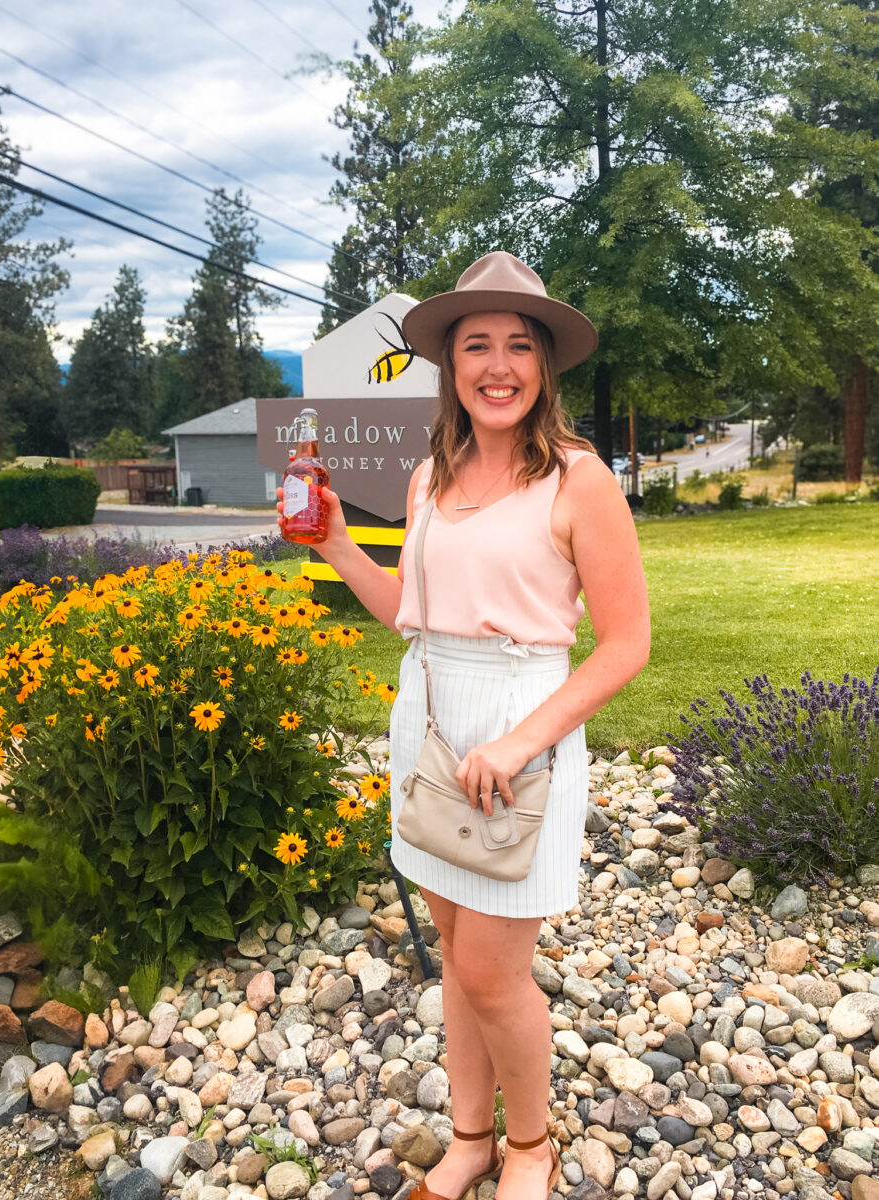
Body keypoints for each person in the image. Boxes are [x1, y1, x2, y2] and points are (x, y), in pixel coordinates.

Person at [277, 252, 650, 1200]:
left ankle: (534, 1146)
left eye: (518, 345)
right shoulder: (427, 478)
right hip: (430, 718)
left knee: (492, 973)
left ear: (544, 366)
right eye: (475, 343)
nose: (498, 364)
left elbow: (626, 645)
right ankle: (473, 1136)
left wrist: (523, 742)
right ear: (448, 362)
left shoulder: (579, 480)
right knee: (458, 958)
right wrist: (337, 546)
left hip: (518, 736)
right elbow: (412, 611)